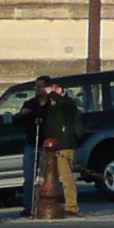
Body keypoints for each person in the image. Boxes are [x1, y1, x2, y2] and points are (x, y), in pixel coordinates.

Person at [34, 77, 83, 217]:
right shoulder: (50, 104)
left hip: (64, 144)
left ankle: (72, 206)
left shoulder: (68, 102)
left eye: (53, 87)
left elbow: (64, 106)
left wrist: (54, 93)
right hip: (51, 145)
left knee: (66, 177)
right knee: (48, 176)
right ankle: (48, 203)